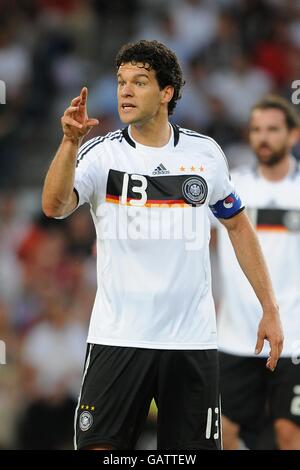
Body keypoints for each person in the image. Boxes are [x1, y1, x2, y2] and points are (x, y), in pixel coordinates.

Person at [42, 40, 283, 451]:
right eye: (121, 82)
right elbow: (55, 206)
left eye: (139, 82)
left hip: (190, 341)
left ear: (167, 92)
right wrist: (69, 143)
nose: (125, 91)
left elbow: (239, 227)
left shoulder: (204, 154)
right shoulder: (101, 153)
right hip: (118, 336)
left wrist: (270, 308)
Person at [215, 96, 300, 450]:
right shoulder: (231, 187)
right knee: (225, 436)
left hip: (296, 337)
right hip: (236, 336)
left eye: (273, 130)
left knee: (288, 434)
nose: (263, 137)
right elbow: (185, 231)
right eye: (256, 130)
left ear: (293, 135)